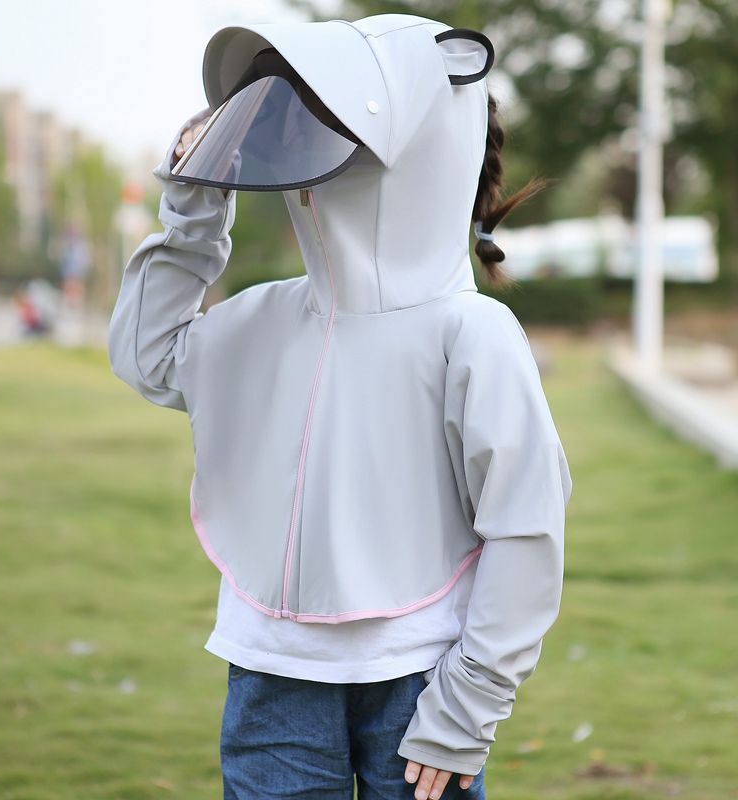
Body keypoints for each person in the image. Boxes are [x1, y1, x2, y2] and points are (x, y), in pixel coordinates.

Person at [109, 14, 571, 800]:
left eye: (324, 113)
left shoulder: (474, 332)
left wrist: (468, 706)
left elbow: (527, 530)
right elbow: (148, 357)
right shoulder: (265, 317)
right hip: (270, 677)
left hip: (421, 685)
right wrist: (191, 209)